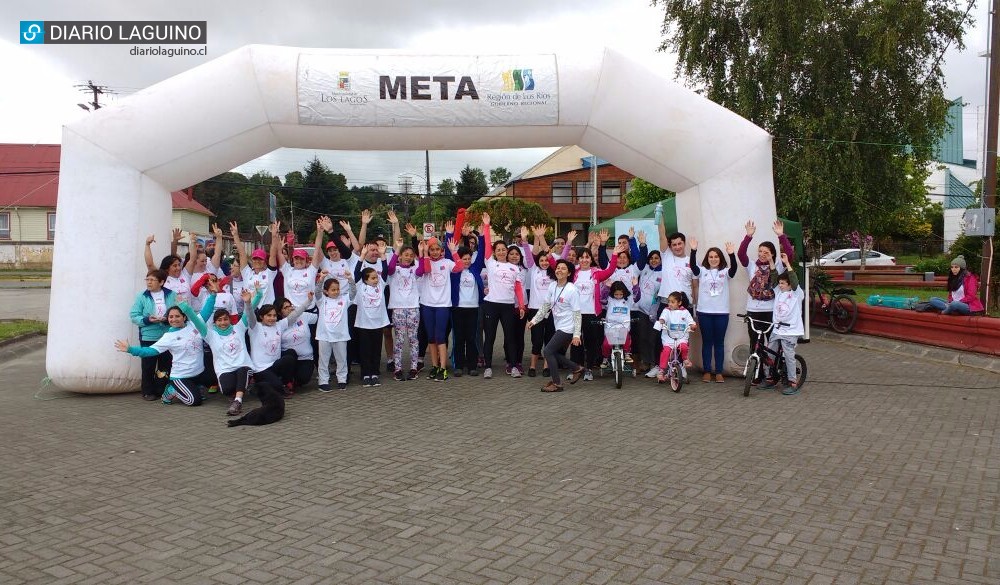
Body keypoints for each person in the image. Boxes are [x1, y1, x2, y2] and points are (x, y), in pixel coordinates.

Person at [116, 288, 221, 406]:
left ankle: (196, 387)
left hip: (199, 373)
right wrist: (131, 350)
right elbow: (150, 351)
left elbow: (207, 311)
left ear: (184, 317)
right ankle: (172, 390)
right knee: (194, 401)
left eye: (177, 316)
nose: (174, 319)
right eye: (171, 317)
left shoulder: (194, 324)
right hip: (181, 376)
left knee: (212, 377)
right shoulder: (169, 337)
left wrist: (213, 294)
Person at [182, 287, 260, 416]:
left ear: (230, 320)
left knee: (244, 370)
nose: (223, 322)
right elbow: (196, 321)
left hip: (242, 366)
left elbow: (249, 312)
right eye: (219, 320)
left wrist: (253, 299)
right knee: (227, 389)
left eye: (225, 319)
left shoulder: (239, 328)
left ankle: (238, 401)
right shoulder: (210, 335)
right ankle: (239, 391)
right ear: (215, 322)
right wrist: (186, 309)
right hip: (224, 370)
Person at [737, 219, 792, 382]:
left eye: (766, 252)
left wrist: (781, 236)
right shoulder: (752, 266)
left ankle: (773, 372)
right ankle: (756, 373)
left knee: (772, 344)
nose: (762, 254)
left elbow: (789, 255)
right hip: (753, 311)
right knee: (755, 343)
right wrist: (748, 237)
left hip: (770, 312)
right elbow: (741, 255)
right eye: (760, 251)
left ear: (772, 254)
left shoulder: (778, 267)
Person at [480, 212, 527, 379]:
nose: (501, 252)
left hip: (508, 306)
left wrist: (521, 306)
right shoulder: (491, 263)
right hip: (491, 305)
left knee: (510, 337)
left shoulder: (514, 268)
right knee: (490, 337)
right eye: (498, 250)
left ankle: (513, 366)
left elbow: (519, 289)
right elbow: (486, 244)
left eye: (503, 250)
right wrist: (487, 226)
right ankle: (488, 366)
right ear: (494, 252)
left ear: (507, 252)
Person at [528, 259, 584, 392]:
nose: (559, 270)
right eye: (558, 268)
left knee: (547, 351)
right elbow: (546, 306)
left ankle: (557, 383)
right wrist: (534, 320)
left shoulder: (572, 289)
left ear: (569, 273)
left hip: (568, 328)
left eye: (563, 268)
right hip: (559, 326)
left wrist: (576, 334)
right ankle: (577, 368)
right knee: (551, 352)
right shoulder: (552, 286)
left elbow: (577, 314)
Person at [689, 237, 738, 383]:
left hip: (722, 313)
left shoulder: (725, 272)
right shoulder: (702, 271)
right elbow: (693, 266)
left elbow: (734, 269)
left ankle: (718, 372)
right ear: (707, 258)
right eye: (711, 257)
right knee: (707, 342)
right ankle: (707, 371)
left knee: (719, 342)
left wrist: (731, 254)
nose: (713, 259)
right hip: (704, 312)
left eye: (716, 256)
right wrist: (693, 251)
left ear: (720, 258)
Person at [416, 237, 464, 381]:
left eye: (437, 249)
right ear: (428, 250)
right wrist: (424, 253)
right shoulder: (424, 261)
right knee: (431, 338)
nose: (435, 252)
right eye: (432, 249)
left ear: (442, 250)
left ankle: (443, 368)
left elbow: (459, 267)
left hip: (443, 305)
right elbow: (426, 270)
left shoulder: (447, 263)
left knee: (440, 337)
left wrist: (454, 252)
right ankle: (435, 366)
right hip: (427, 304)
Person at [129, 269, 177, 401]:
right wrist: (147, 320)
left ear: (161, 282)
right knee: (148, 364)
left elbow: (179, 310)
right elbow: (134, 316)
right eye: (147, 279)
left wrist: (168, 319)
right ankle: (147, 391)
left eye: (152, 280)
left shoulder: (172, 295)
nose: (149, 282)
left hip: (167, 334)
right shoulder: (142, 296)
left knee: (165, 364)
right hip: (148, 335)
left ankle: (161, 389)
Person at [763, 253, 805, 395]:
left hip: (791, 331)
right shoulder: (779, 291)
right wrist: (770, 261)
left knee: (788, 356)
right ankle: (770, 378)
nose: (779, 285)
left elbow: (793, 279)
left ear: (789, 285)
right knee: (770, 353)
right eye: (780, 283)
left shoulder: (796, 293)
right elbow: (774, 276)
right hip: (777, 329)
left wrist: (787, 264)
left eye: (783, 283)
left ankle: (793, 382)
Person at [354, 255, 391, 387]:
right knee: (365, 350)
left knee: (376, 349)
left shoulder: (381, 283)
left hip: (378, 323)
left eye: (376, 277)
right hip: (364, 324)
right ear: (365, 280)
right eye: (373, 278)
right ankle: (365, 374)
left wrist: (383, 257)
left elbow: (385, 271)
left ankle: (374, 373)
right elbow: (356, 273)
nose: (376, 279)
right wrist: (362, 257)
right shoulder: (360, 286)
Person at [387, 239, 421, 381]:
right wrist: (397, 250)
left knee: (413, 339)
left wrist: (423, 252)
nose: (408, 257)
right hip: (399, 308)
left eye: (411, 255)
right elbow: (389, 269)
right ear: (400, 256)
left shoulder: (414, 270)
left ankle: (414, 367)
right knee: (399, 340)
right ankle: (398, 368)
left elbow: (422, 270)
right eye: (405, 254)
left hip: (413, 308)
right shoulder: (395, 271)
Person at [315, 274, 355, 391]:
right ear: (326, 291)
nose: (336, 292)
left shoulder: (344, 299)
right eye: (333, 290)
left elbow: (353, 292)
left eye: (337, 289)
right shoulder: (322, 301)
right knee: (323, 359)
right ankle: (323, 381)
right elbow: (317, 292)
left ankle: (342, 379)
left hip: (341, 335)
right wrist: (321, 279)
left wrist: (350, 280)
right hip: (324, 335)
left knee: (341, 359)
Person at [232, 220, 281, 306]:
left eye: (260, 259)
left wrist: (274, 236)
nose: (257, 261)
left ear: (265, 261)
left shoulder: (270, 273)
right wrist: (235, 235)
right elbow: (242, 253)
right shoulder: (247, 273)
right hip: (250, 312)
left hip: (266, 312)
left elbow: (273, 254)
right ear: (252, 260)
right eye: (255, 259)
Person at [655, 291, 697, 383]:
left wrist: (692, 325)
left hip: (681, 337)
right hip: (668, 337)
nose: (670, 304)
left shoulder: (685, 312)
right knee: (666, 351)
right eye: (669, 301)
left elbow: (690, 321)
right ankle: (662, 370)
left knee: (684, 347)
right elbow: (663, 317)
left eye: (672, 302)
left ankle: (685, 359)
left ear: (679, 303)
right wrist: (661, 321)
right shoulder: (666, 310)